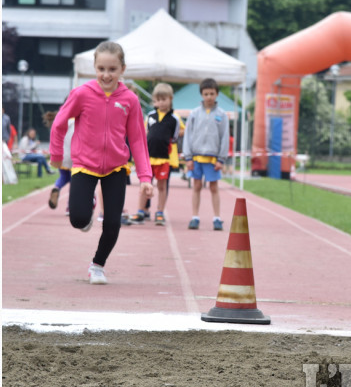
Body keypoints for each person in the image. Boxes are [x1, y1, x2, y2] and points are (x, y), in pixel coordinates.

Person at [49, 41, 153, 285]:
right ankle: (90, 201)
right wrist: (56, 155)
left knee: (113, 222)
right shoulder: (82, 94)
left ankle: (97, 265)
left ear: (122, 69)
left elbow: (138, 140)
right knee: (78, 219)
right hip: (85, 164)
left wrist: (146, 178)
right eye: (101, 69)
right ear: (94, 68)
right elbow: (59, 123)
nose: (106, 75)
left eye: (112, 69)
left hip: (116, 168)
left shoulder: (130, 100)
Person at [130, 83, 182, 226]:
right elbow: (146, 132)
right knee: (145, 184)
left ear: (170, 99)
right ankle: (141, 211)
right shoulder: (150, 115)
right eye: (157, 100)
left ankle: (160, 212)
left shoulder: (174, 119)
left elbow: (175, 137)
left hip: (164, 158)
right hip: (148, 158)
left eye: (164, 99)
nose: (160, 103)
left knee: (162, 186)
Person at [182, 78, 229, 231]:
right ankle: (195, 217)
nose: (209, 97)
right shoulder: (194, 114)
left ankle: (217, 218)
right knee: (196, 186)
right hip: (195, 157)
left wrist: (221, 159)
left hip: (213, 158)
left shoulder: (222, 115)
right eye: (206, 93)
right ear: (201, 94)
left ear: (217, 94)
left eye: (212, 93)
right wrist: (188, 157)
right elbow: (188, 135)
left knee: (214, 188)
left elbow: (224, 137)